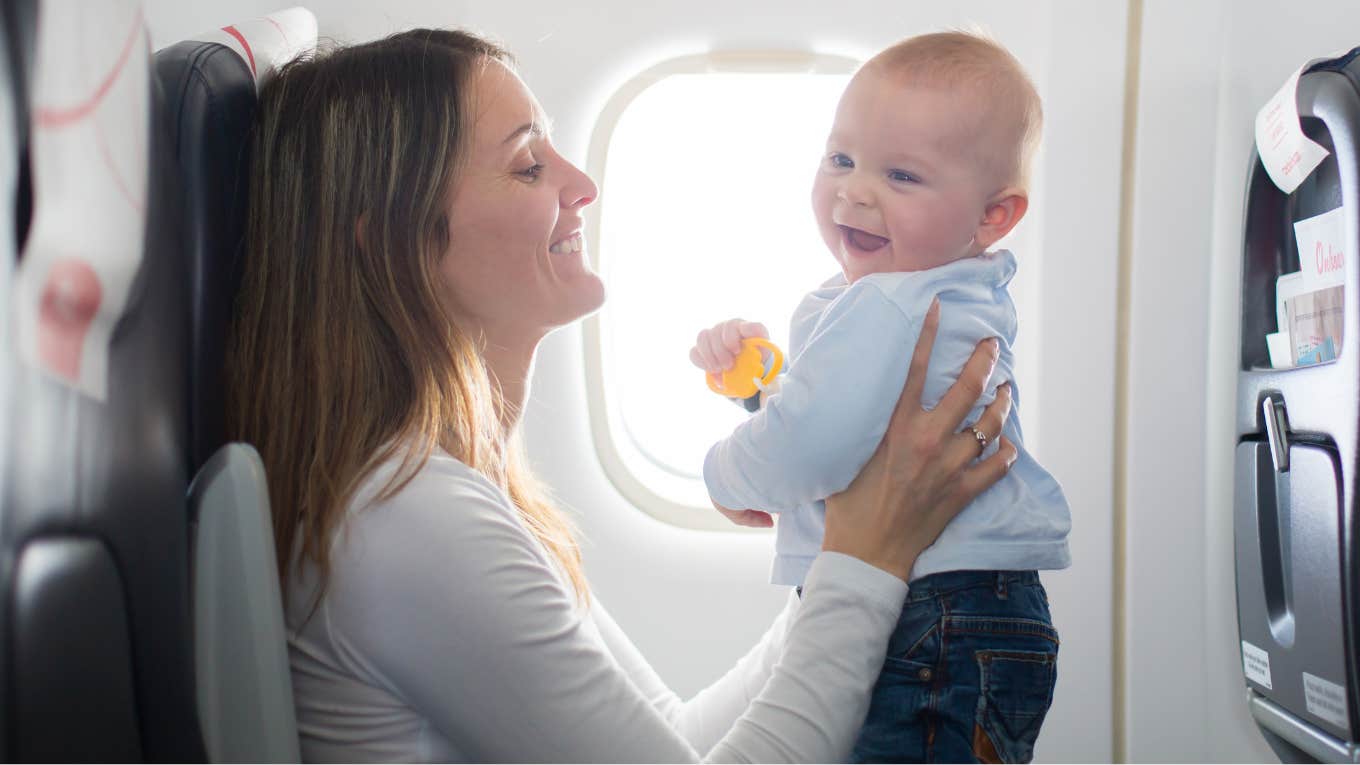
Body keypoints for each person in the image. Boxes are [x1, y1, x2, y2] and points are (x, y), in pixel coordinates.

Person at [228, 28, 1016, 763]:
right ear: (395, 240)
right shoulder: (408, 518)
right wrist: (864, 556)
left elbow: (674, 736)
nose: (581, 183)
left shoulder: (462, 490)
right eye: (529, 165)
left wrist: (858, 539)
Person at [691, 32, 1071, 762]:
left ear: (994, 216)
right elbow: (853, 423)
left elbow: (816, 443)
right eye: (841, 158)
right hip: (977, 613)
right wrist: (760, 387)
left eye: (900, 175)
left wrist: (725, 474)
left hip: (930, 616)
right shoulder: (944, 292)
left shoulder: (888, 306)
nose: (854, 190)